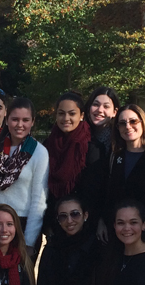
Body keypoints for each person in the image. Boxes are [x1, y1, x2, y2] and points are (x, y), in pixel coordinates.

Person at [0, 97, 49, 250]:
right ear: (7, 120)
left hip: (21, 226)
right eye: (15, 119)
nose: (20, 125)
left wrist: (29, 241)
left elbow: (38, 202)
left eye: (25, 120)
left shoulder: (39, 153)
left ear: (32, 122)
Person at [97, 104, 145, 242]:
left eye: (133, 121)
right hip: (118, 232)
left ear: (143, 123)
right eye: (122, 123)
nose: (128, 126)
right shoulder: (114, 156)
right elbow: (108, 194)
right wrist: (102, 221)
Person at [44, 91, 106, 229]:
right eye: (61, 113)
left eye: (72, 113)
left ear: (82, 116)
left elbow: (95, 191)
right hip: (56, 222)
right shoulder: (48, 145)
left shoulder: (92, 147)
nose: (66, 118)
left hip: (84, 224)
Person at [85, 86, 120, 158]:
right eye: (96, 104)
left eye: (106, 106)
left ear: (114, 112)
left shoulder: (119, 138)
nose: (100, 110)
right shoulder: (79, 135)